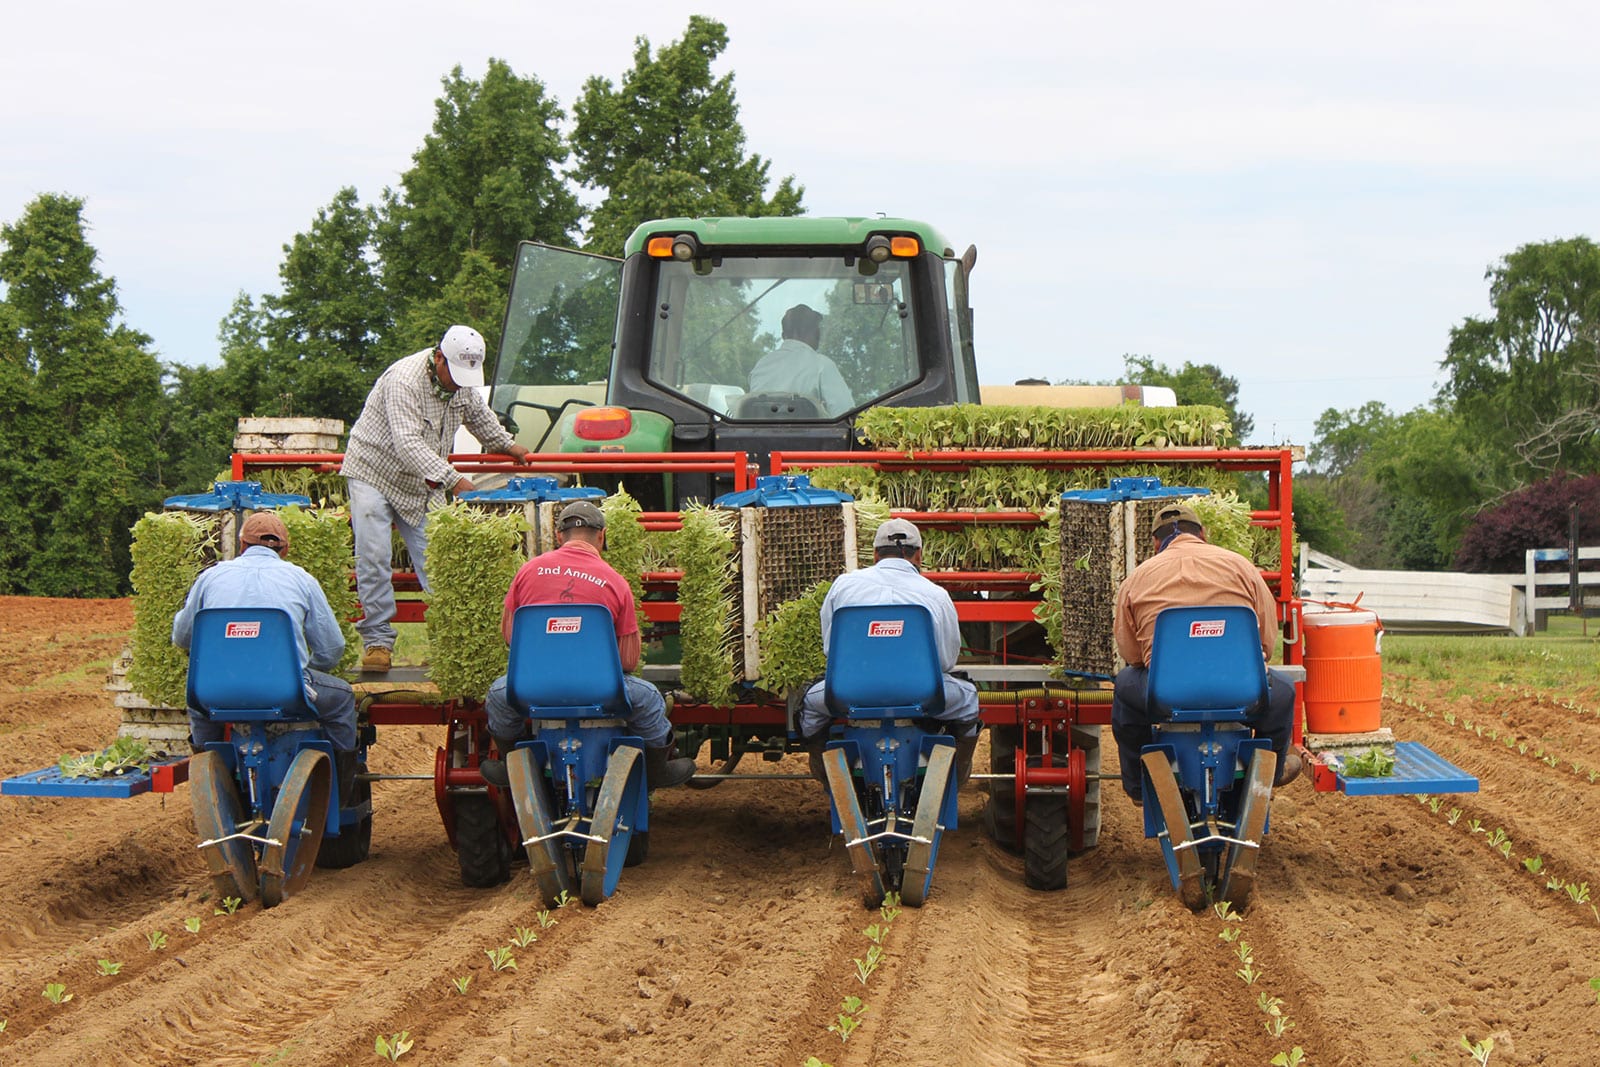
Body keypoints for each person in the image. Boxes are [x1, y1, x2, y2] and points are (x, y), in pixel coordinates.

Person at [340, 324, 534, 672]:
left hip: (422, 479)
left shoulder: (461, 385)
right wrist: (454, 479)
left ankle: (451, 641)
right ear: (440, 358)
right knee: (374, 555)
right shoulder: (404, 381)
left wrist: (507, 445)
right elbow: (407, 443)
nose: (459, 384)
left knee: (440, 557)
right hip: (374, 471)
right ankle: (378, 642)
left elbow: (479, 417)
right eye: (455, 375)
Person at [478, 500, 697, 790]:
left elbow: (510, 635)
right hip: (600, 691)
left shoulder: (527, 572)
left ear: (559, 536)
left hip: (533, 688)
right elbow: (628, 660)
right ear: (602, 536)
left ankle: (513, 766)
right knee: (648, 698)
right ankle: (658, 771)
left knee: (498, 696)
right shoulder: (615, 582)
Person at [1110, 503, 1302, 803]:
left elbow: (1131, 653)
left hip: (1165, 693)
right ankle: (1270, 773)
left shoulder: (1137, 578)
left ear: (1156, 543)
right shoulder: (1241, 567)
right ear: (1203, 534)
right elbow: (1266, 641)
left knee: (1124, 686)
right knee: (1284, 691)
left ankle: (1138, 787)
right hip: (1240, 689)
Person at [171, 512, 359, 795]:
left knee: (200, 708)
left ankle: (213, 780)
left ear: (242, 545)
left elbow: (182, 638)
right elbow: (332, 649)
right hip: (286, 693)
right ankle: (341, 790)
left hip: (218, 692)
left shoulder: (210, 577)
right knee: (343, 698)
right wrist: (306, 674)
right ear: (285, 549)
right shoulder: (301, 579)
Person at [799, 518, 980, 784]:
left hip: (849, 694)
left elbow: (830, 649)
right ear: (919, 556)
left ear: (875, 554)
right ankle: (956, 774)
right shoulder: (936, 595)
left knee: (809, 705)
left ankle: (824, 770)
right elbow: (946, 661)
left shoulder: (843, 586)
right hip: (922, 696)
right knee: (969, 701)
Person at [747, 303, 855, 417]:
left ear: (783, 336)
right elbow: (847, 416)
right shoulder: (822, 365)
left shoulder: (761, 365)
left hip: (761, 429)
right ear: (816, 333)